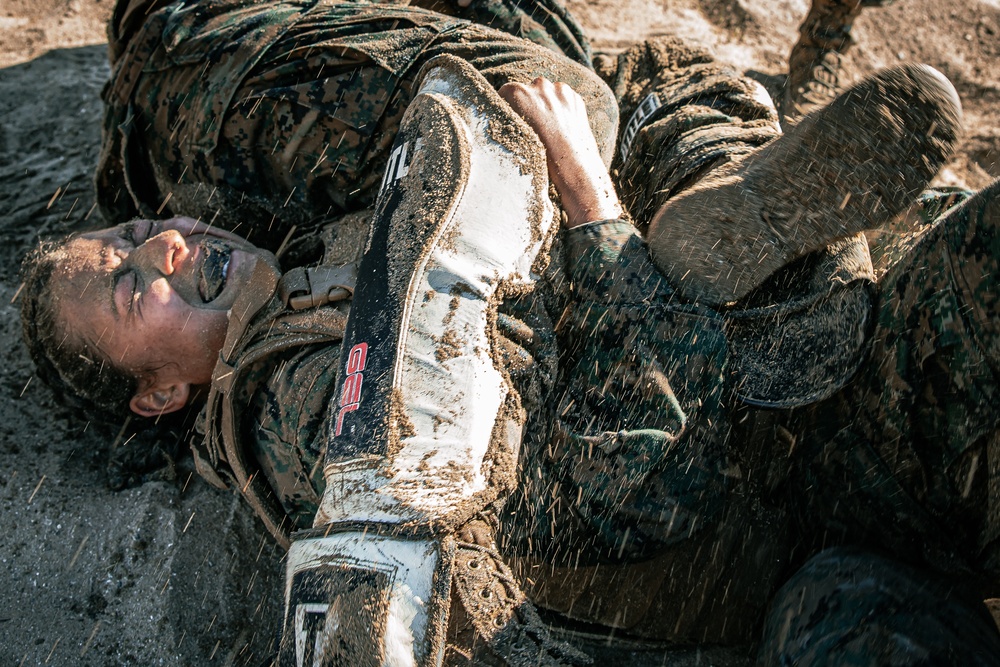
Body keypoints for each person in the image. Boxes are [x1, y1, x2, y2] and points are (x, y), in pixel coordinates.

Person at [17, 0, 994, 662]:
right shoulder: (291, 403)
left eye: (142, 233)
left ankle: (747, 223)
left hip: (817, 413)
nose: (167, 250)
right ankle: (773, 263)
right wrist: (593, 209)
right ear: (157, 393)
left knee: (652, 86)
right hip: (748, 467)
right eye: (127, 288)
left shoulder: (319, 242)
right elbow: (630, 490)